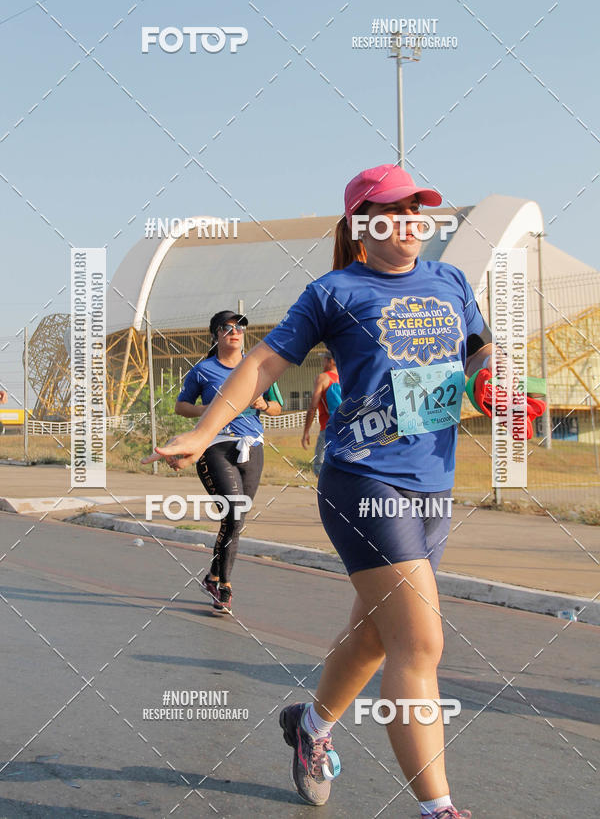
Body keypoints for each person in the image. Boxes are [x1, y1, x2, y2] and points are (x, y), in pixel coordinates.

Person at [143, 164, 497, 818]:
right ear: (364, 223)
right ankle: (438, 808)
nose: (413, 220)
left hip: (432, 484)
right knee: (420, 644)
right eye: (397, 209)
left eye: (419, 209)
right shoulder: (334, 291)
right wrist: (203, 433)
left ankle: (310, 724)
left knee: (375, 636)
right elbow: (263, 363)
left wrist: (490, 379)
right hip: (363, 480)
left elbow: (478, 352)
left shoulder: (451, 281)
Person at [173, 310, 282, 612]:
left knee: (237, 518)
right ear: (215, 335)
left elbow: (277, 407)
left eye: (240, 327)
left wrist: (264, 404)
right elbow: (181, 406)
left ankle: (213, 575)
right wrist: (211, 411)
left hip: (252, 447)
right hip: (216, 446)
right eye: (227, 328)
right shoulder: (203, 370)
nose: (234, 332)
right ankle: (225, 585)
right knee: (233, 511)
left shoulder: (259, 366)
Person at [301, 351, 339, 474]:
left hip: (328, 428)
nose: (323, 362)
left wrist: (306, 431)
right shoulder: (345, 377)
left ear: (331, 361)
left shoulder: (323, 378)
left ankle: (326, 492)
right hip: (346, 428)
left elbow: (313, 407)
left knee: (320, 466)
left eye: (325, 359)